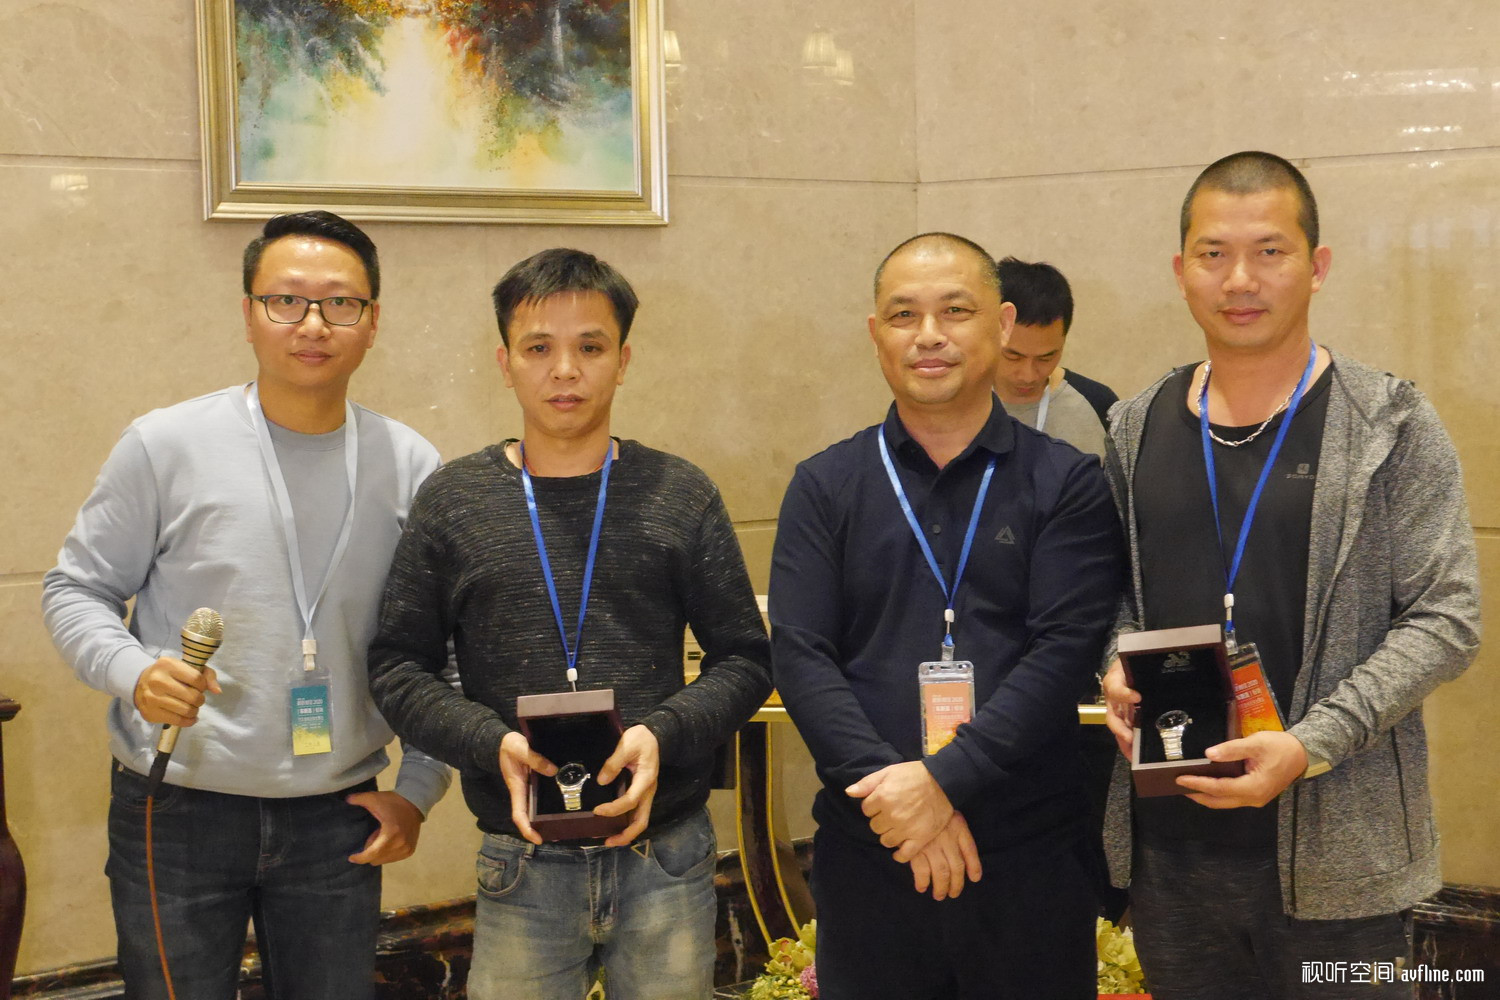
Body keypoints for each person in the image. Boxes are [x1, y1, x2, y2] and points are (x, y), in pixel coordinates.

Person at [42, 211, 451, 999]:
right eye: (286, 300)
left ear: (373, 322)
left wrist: (419, 790)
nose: (313, 324)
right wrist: (133, 671)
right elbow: (75, 589)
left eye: (340, 303)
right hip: (178, 802)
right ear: (248, 313)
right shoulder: (165, 445)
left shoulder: (411, 465)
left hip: (339, 812)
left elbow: (444, 647)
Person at [1101, 151, 1481, 1000]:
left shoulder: (1389, 423)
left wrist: (1311, 746)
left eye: (1270, 251)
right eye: (1214, 254)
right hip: (1171, 854)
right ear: (1181, 270)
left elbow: (1447, 618)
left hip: (1344, 868)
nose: (1240, 279)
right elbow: (1113, 596)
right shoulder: (1134, 425)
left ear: (1317, 266)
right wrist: (1113, 661)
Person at [367, 248, 771, 1000]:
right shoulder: (455, 502)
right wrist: (489, 742)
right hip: (520, 860)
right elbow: (396, 666)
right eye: (538, 349)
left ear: (623, 360)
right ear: (504, 362)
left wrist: (663, 734)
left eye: (590, 347)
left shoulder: (679, 493)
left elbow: (746, 660)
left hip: (666, 853)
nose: (565, 371)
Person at [770, 232, 1125, 999]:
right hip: (871, 853)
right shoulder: (825, 485)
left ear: (1001, 324)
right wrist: (900, 800)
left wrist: (942, 784)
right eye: (904, 315)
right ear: (876, 334)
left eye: (955, 311)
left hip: (1028, 855)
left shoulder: (1065, 482)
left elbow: (1064, 651)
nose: (928, 335)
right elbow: (801, 655)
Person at [993, 256, 1119, 456]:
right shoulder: (955, 397)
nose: (1028, 375)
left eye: (1045, 358)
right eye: (1013, 356)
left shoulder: (1098, 403)